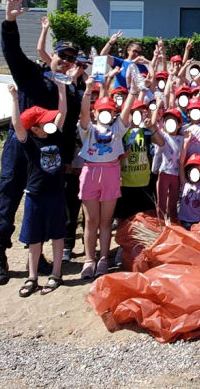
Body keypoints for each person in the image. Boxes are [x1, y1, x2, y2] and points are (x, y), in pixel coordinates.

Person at [0, 0, 81, 287]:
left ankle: (38, 257)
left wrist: (66, 160)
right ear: (51, 55)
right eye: (62, 56)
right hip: (21, 147)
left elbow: (67, 128)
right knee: (8, 199)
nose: (66, 62)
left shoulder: (68, 91)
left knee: (43, 206)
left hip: (49, 157)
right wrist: (9, 22)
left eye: (71, 59)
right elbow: (12, 53)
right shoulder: (31, 74)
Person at [7, 79, 68, 297]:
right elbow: (16, 123)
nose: (51, 122)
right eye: (45, 121)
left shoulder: (55, 135)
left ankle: (56, 273)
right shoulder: (29, 142)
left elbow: (62, 112)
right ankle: (32, 277)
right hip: (34, 195)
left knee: (58, 235)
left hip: (56, 194)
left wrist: (62, 90)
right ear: (34, 127)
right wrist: (15, 98)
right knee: (34, 238)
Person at [76, 74, 132, 280]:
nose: (106, 114)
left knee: (106, 222)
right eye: (102, 111)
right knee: (91, 220)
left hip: (111, 173)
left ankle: (104, 259)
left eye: (110, 111)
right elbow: (83, 113)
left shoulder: (118, 128)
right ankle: (89, 259)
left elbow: (126, 109)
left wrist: (134, 90)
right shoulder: (88, 129)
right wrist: (89, 90)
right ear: (96, 112)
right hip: (90, 173)